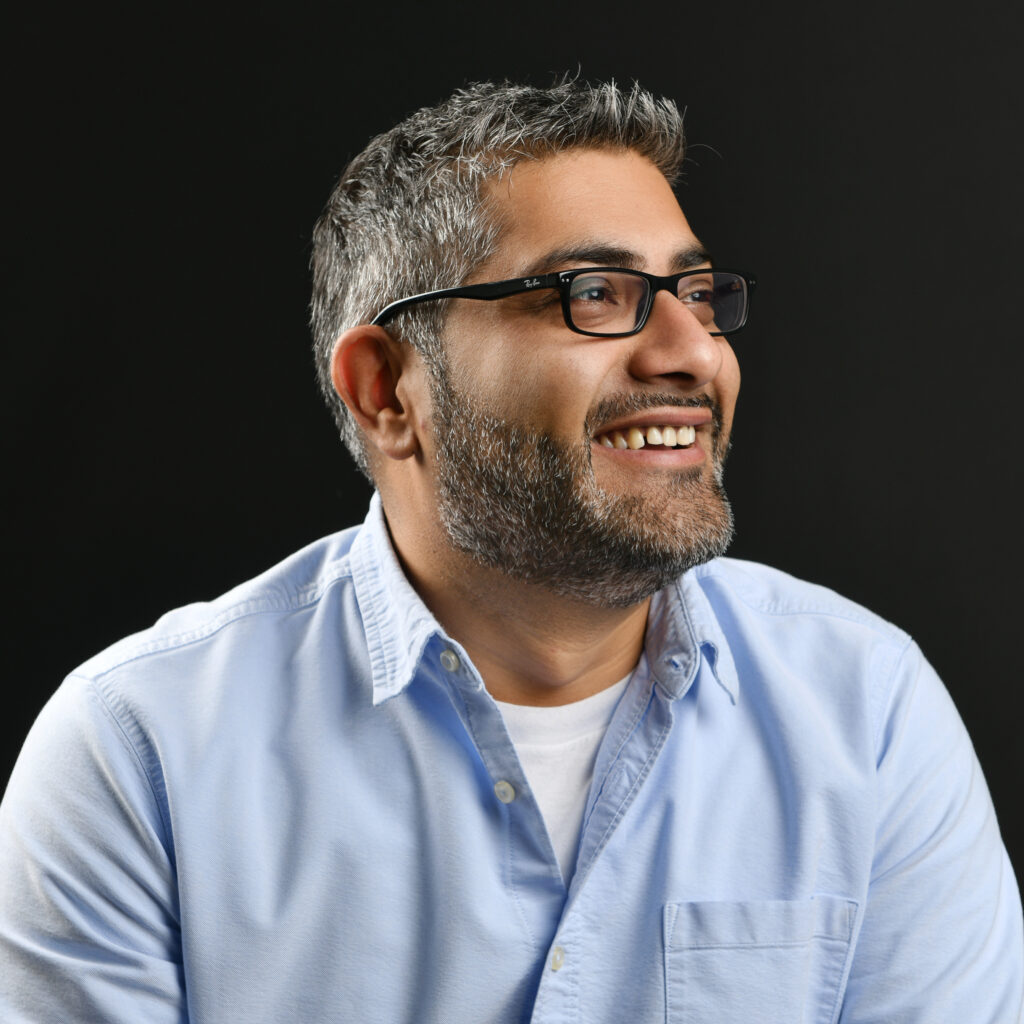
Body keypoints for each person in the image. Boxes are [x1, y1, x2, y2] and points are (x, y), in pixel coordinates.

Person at [1, 78, 1021, 1023]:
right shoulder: (139, 757)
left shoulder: (868, 714)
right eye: (594, 292)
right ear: (386, 390)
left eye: (699, 292)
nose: (693, 352)